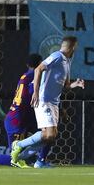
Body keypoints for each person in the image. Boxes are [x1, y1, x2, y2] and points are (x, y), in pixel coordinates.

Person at [10, 36, 85, 168]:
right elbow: (39, 69)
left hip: (54, 102)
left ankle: (24, 158)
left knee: (50, 136)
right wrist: (36, 92)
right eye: (75, 48)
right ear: (72, 47)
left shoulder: (67, 62)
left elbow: (66, 85)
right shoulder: (56, 56)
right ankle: (19, 145)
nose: (75, 50)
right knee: (49, 134)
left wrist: (75, 84)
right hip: (44, 99)